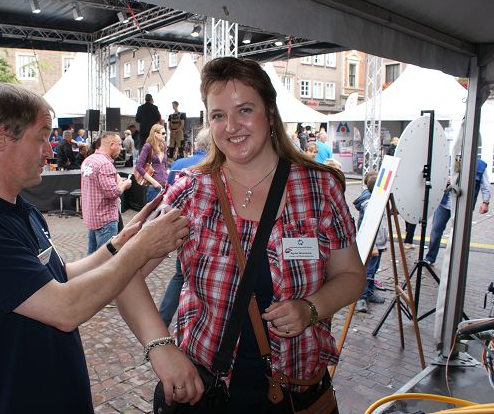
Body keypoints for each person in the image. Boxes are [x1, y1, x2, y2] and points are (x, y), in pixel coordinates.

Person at [0, 83, 193, 413]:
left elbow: (60, 277)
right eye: (41, 137)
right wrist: (139, 250)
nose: (49, 151)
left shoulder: (21, 210)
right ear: (1, 138)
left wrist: (121, 243)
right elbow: (65, 308)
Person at [142, 57, 365, 411]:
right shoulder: (192, 192)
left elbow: (352, 275)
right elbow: (126, 275)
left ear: (270, 113)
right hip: (209, 393)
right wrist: (161, 348)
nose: (231, 126)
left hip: (296, 393)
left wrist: (311, 308)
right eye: (218, 115)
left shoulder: (319, 188)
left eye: (245, 110)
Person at [158, 128, 211, 327]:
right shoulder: (212, 165)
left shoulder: (178, 164)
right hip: (202, 231)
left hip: (177, 225)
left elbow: (168, 195)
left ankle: (162, 320)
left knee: (180, 274)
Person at [424, 159, 490, 265]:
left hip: (464, 206)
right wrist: (444, 181)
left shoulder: (480, 165)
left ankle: (456, 262)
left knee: (459, 233)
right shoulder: (451, 159)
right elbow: (436, 176)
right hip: (445, 203)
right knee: (436, 230)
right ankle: (430, 258)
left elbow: (485, 185)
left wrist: (485, 202)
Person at [81, 131, 132, 255]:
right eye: (119, 144)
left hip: (92, 218)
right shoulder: (105, 164)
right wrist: (125, 184)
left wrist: (116, 178)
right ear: (112, 145)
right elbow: (113, 193)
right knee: (105, 259)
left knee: (91, 258)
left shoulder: (88, 160)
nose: (121, 148)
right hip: (105, 220)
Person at [353, 171, 387, 313]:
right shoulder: (369, 204)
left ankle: (369, 292)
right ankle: (361, 297)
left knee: (372, 271)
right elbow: (367, 226)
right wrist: (373, 246)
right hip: (372, 245)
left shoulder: (376, 200)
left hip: (378, 244)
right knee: (368, 271)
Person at [136, 124, 168, 203]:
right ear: (156, 134)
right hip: (153, 187)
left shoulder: (163, 146)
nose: (165, 135)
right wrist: (154, 182)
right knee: (152, 210)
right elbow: (139, 166)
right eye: (163, 133)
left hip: (165, 186)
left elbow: (164, 165)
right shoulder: (148, 146)